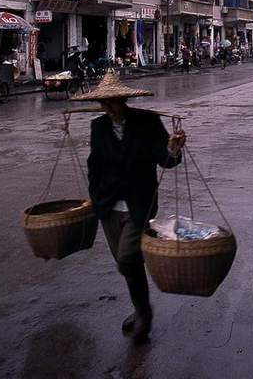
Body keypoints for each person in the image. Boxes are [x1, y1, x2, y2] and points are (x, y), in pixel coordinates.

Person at [72, 73, 186, 344]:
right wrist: (94, 198)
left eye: (113, 103)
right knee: (127, 264)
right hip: (109, 207)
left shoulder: (148, 123)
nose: (108, 109)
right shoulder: (98, 127)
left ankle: (143, 313)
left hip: (139, 205)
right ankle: (141, 308)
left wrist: (172, 149)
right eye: (104, 104)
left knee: (126, 258)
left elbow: (166, 160)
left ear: (124, 100)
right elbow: (94, 166)